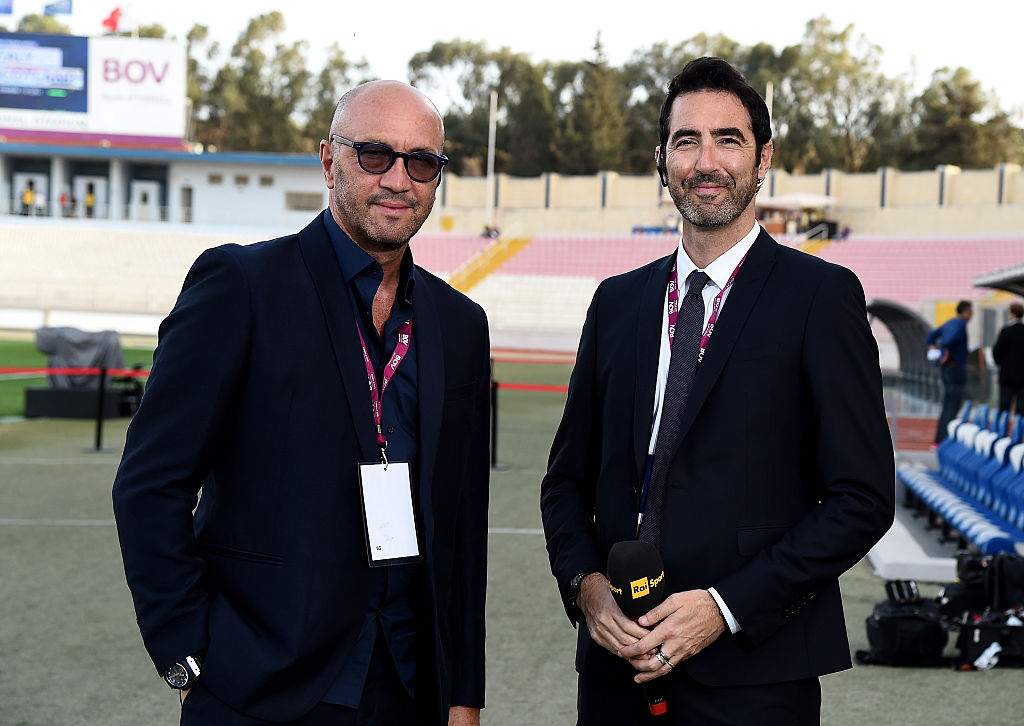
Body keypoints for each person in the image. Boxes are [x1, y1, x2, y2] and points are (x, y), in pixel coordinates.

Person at [112, 80, 489, 726]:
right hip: (257, 688)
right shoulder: (241, 286)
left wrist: (462, 694)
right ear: (327, 160)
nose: (399, 178)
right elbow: (150, 483)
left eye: (421, 162)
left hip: (407, 689)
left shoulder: (460, 323)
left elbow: (462, 529)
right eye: (375, 154)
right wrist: (186, 658)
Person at [540, 57, 894, 725]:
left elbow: (861, 499)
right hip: (617, 673)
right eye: (686, 140)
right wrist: (586, 590)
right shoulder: (616, 303)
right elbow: (564, 482)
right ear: (661, 161)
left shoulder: (821, 298)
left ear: (763, 158)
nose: (706, 161)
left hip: (753, 679)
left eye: (727, 139)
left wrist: (723, 608)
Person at [927, 300, 973, 444]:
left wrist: (933, 347)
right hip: (955, 369)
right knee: (952, 405)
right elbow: (948, 340)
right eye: (971, 312)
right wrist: (945, 354)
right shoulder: (959, 325)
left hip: (947, 369)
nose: (971, 315)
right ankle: (944, 438)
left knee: (948, 404)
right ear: (965, 311)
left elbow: (930, 336)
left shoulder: (949, 322)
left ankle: (940, 438)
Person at [992, 301, 1024, 415]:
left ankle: (1003, 431)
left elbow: (997, 352)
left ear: (1012, 314)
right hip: (1022, 378)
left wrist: (1001, 363)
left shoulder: (1006, 331)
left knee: (1004, 409)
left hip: (1007, 377)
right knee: (1021, 412)